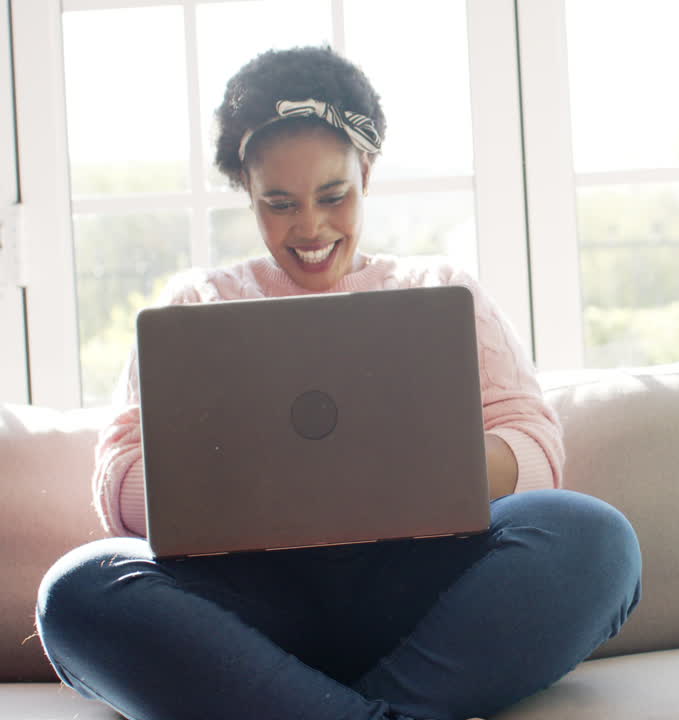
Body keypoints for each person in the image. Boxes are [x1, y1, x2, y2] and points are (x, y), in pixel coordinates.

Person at [35, 46, 642, 720]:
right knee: (76, 591)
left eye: (333, 196)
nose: (311, 228)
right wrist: (245, 482)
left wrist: (413, 470)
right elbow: (119, 480)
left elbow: (535, 451)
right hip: (247, 611)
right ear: (246, 190)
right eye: (279, 204)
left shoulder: (440, 291)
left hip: (421, 598)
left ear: (367, 172)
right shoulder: (197, 302)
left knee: (595, 538)